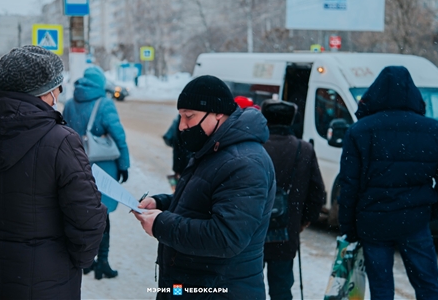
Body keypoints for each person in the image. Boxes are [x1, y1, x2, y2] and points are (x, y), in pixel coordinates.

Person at [0, 46, 107, 300]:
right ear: (43, 93)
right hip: (45, 286)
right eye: (57, 87)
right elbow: (88, 222)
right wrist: (71, 262)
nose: (59, 94)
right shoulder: (61, 141)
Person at [134, 75, 276, 299]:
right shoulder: (214, 148)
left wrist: (162, 224)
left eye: (189, 117)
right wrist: (161, 202)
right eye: (180, 117)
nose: (182, 126)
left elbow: (225, 237)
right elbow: (202, 199)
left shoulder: (244, 162)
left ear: (218, 113)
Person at [338, 66, 438, 300]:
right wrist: (433, 210)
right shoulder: (436, 131)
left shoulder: (359, 132)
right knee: (428, 285)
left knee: (381, 288)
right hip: (415, 220)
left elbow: (349, 185)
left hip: (373, 221)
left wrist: (349, 227)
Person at [63, 66, 130, 280]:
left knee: (83, 213)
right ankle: (103, 263)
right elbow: (118, 136)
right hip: (103, 168)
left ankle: (87, 261)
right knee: (103, 216)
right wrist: (124, 164)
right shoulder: (105, 103)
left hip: (76, 165)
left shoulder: (71, 103)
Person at [261, 99, 325, 300]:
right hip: (286, 232)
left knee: (248, 286)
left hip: (254, 230)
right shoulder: (304, 149)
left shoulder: (256, 146)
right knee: (281, 289)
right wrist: (303, 220)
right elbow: (317, 192)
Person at [162, 114, 193, 192]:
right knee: (186, 190)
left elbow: (169, 138)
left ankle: (175, 196)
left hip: (179, 158)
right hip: (186, 160)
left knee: (178, 189)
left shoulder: (180, 118)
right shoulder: (189, 119)